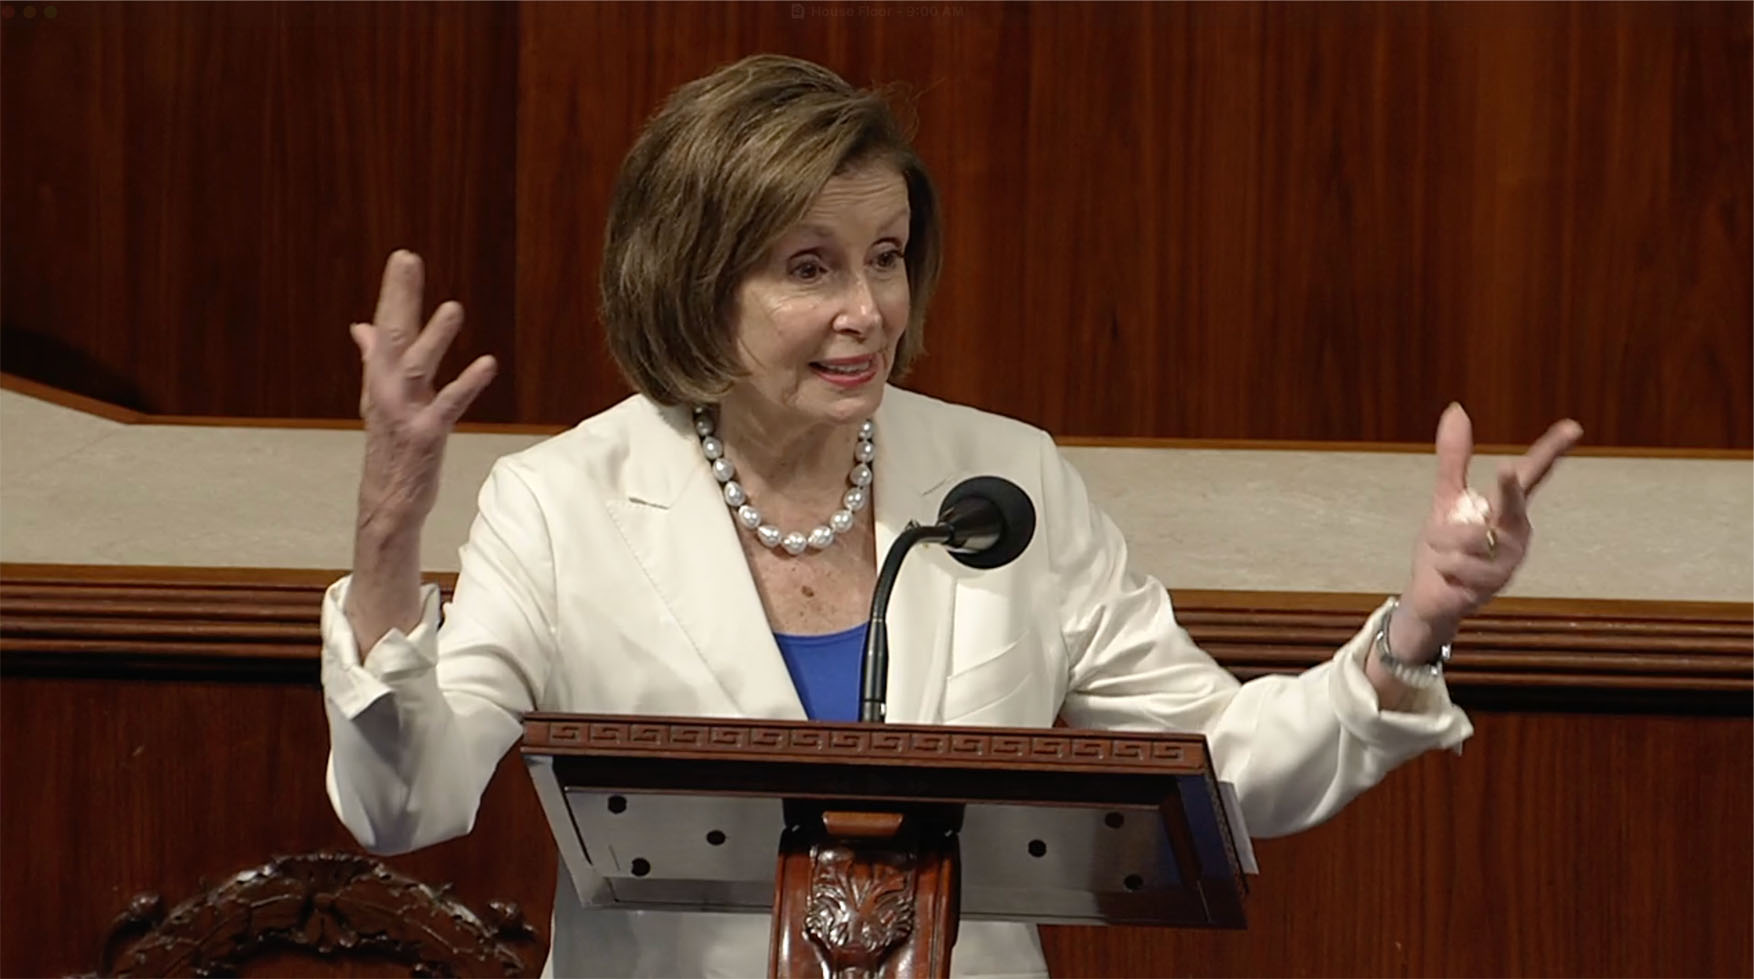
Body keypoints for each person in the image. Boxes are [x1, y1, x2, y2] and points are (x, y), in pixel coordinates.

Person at [321, 55, 1582, 978]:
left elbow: (1221, 759)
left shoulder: (1002, 475)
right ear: (693, 282)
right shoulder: (562, 502)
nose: (868, 309)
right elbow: (406, 801)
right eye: (809, 266)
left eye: (886, 255)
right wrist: (386, 535)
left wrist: (1411, 631)